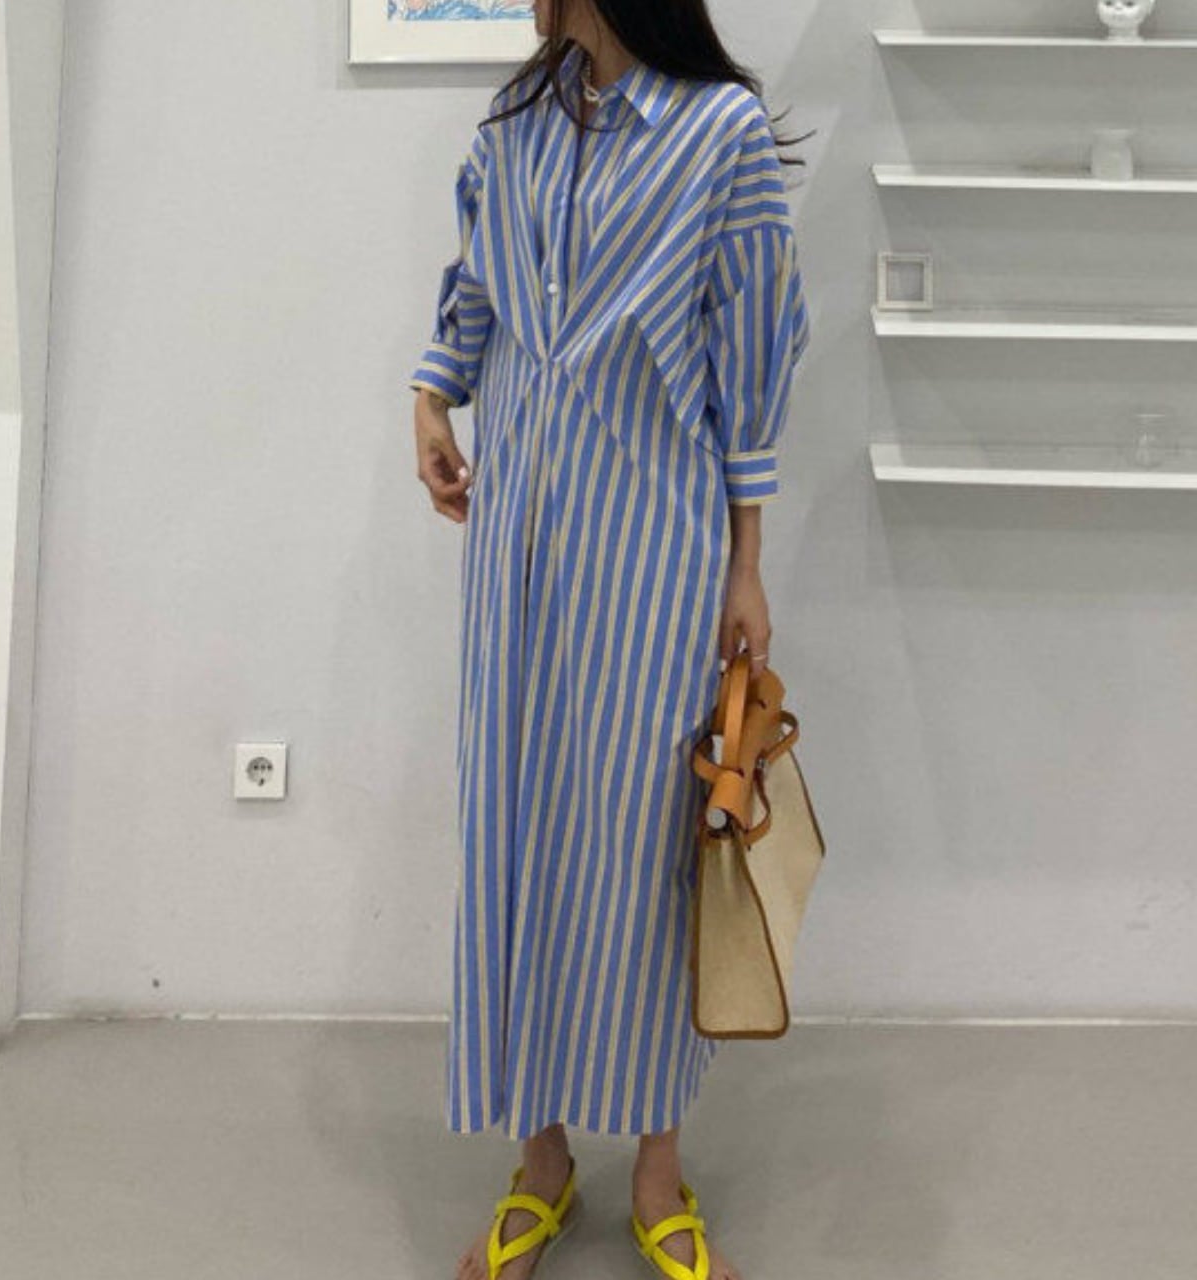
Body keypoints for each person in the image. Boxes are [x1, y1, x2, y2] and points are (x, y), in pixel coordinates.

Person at [407, 0, 811, 1276]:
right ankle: (538, 1163)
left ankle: (654, 1169)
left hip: (652, 542)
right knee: (511, 830)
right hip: (515, 543)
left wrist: (745, 562)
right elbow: (477, 284)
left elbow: (752, 352)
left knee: (643, 849)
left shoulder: (719, 131)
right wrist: (432, 393)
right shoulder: (516, 119)